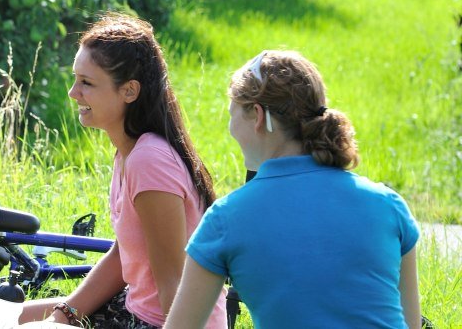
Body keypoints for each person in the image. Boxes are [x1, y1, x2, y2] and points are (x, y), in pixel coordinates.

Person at [0, 14, 226, 328]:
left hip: (163, 323)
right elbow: (123, 256)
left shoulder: (150, 160)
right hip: (131, 308)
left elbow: (173, 284)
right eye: (76, 79)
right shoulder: (129, 152)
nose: (73, 93)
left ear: (129, 91)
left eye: (87, 83)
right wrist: (64, 316)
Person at [164, 50, 421, 328]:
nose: (230, 127)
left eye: (232, 114)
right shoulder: (389, 206)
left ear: (258, 116)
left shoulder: (224, 220)